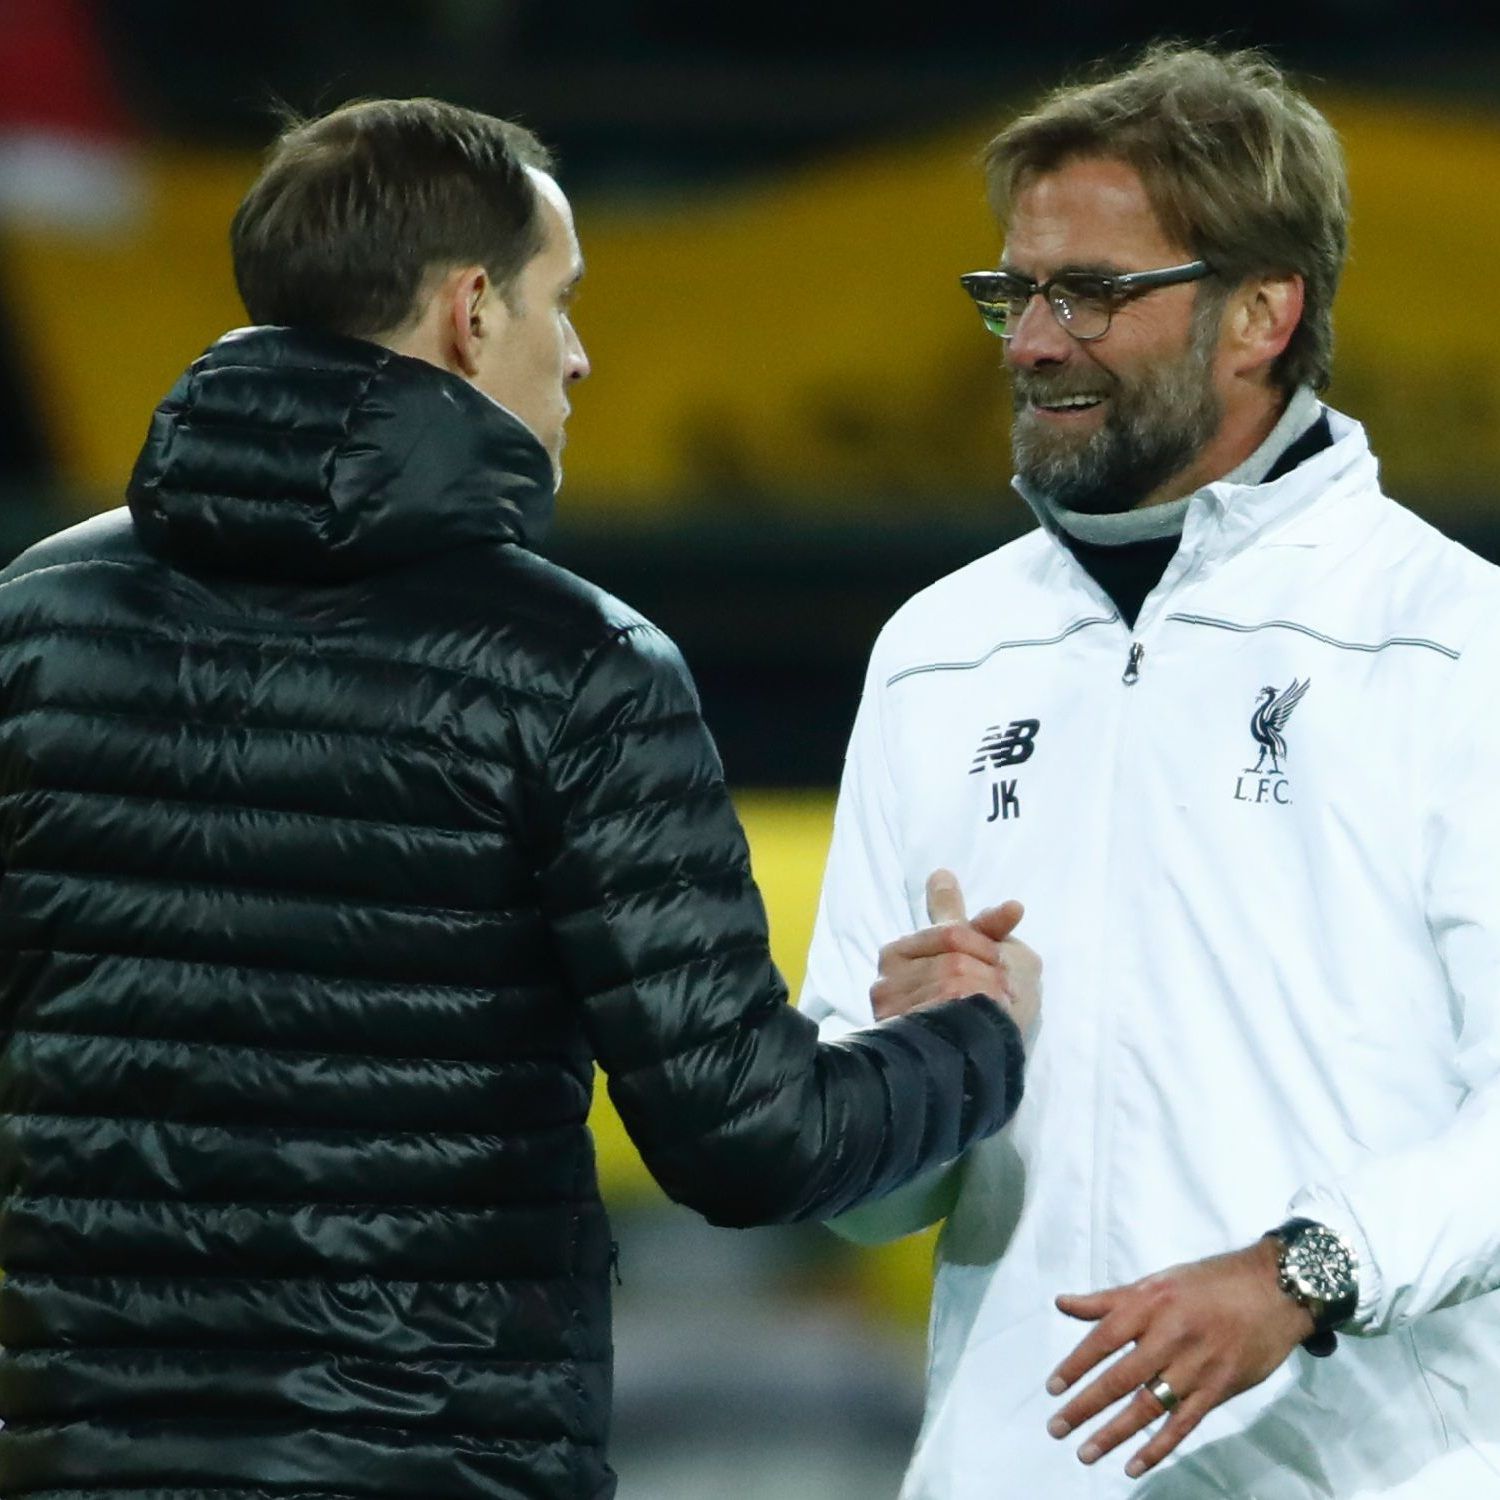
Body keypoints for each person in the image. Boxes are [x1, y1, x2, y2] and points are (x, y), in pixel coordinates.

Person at [0, 99, 1041, 1500]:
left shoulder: (32, 621)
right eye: (564, 301)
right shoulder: (576, 669)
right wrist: (974, 1039)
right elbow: (755, 1143)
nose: (582, 353)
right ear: (470, 312)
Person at [800, 41, 1500, 1499]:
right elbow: (866, 1206)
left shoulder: (1449, 643)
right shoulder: (939, 650)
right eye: (1016, 292)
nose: (1030, 342)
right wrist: (905, 1078)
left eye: (1092, 294)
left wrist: (1304, 1272)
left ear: (1261, 312)